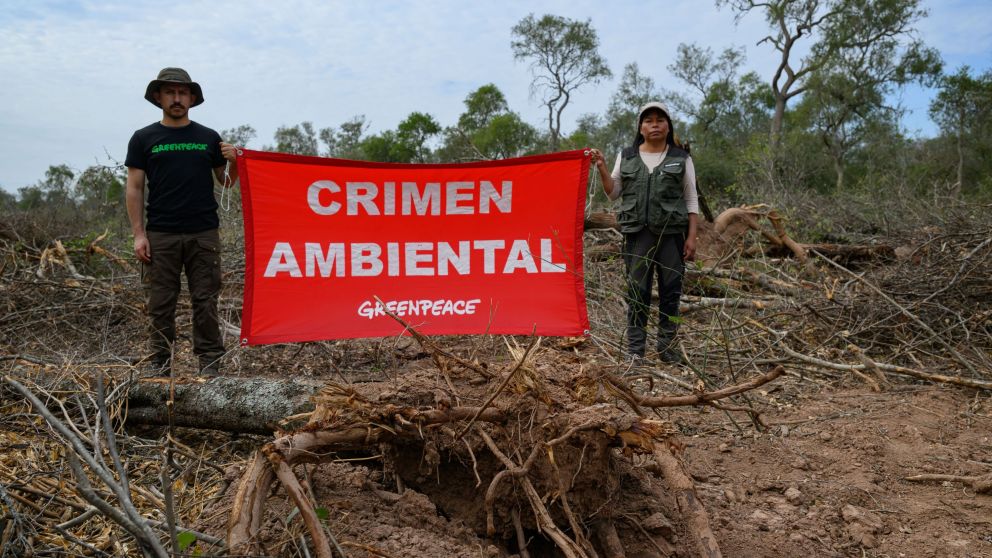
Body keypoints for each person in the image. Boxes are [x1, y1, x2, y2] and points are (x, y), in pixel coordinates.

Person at [125, 67, 239, 376]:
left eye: (183, 93)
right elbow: (134, 188)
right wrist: (139, 234)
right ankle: (160, 365)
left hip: (204, 232)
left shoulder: (208, 137)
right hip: (161, 233)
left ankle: (210, 365)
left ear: (191, 98)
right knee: (161, 304)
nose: (177, 98)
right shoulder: (143, 138)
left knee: (205, 301)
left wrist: (234, 161)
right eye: (170, 93)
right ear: (159, 97)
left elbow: (226, 182)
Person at [589, 101, 699, 363]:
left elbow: (691, 200)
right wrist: (602, 166)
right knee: (637, 293)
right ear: (641, 127)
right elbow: (613, 192)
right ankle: (635, 351)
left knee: (672, 294)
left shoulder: (681, 158)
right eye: (648, 120)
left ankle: (668, 348)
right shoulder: (626, 156)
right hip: (637, 236)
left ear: (668, 126)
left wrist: (692, 238)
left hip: (672, 237)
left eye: (660, 120)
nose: (655, 125)